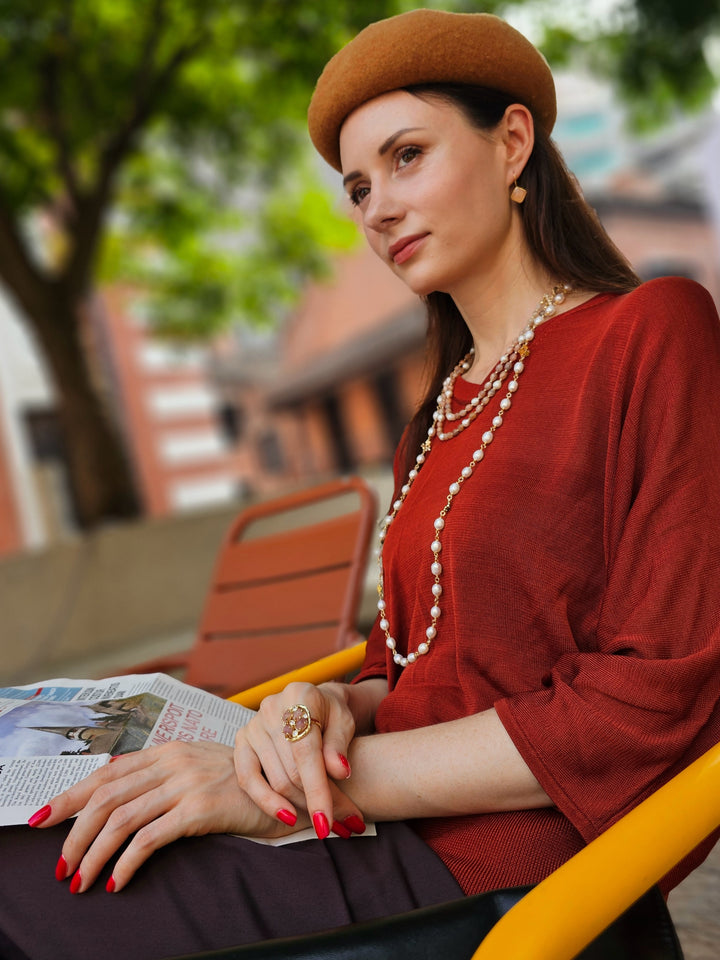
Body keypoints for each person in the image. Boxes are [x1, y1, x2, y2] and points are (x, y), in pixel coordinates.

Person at [3, 9, 720, 959]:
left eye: (407, 156)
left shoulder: (652, 331)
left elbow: (647, 704)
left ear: (513, 144)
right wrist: (321, 709)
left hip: (506, 875)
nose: (375, 207)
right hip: (369, 824)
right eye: (356, 184)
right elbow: (407, 664)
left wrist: (311, 783)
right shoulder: (440, 412)